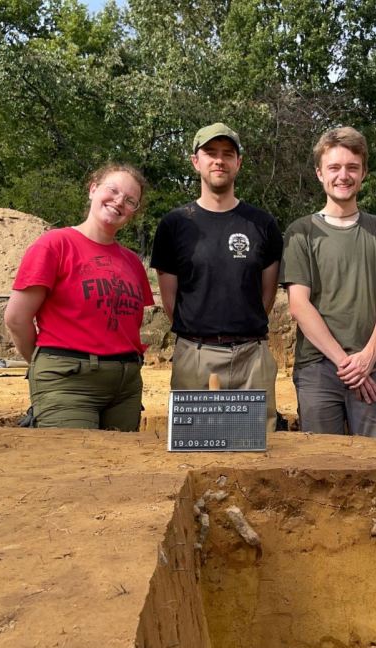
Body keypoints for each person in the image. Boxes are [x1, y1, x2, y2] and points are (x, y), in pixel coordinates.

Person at [151, 122, 282, 432]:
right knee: (196, 446)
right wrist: (202, 337)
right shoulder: (174, 225)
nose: (219, 160)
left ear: (239, 162)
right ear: (196, 161)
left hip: (252, 360)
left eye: (227, 154)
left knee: (254, 448)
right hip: (194, 358)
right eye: (210, 153)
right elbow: (170, 300)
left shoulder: (262, 224)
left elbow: (267, 294)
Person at [4, 162, 154, 430]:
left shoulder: (132, 262)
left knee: (120, 457)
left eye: (130, 200)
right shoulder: (55, 245)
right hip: (68, 380)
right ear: (93, 189)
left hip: (125, 386)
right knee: (76, 453)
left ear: (134, 212)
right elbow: (16, 319)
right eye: (113, 190)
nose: (119, 201)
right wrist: (47, 365)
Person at [281, 126, 376, 439]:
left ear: (363, 173)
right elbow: (299, 305)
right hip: (317, 368)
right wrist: (346, 363)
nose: (343, 176)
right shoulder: (301, 233)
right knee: (322, 461)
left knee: (375, 460)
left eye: (352, 167)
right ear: (319, 173)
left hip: (372, 367)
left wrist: (367, 358)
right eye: (334, 167)